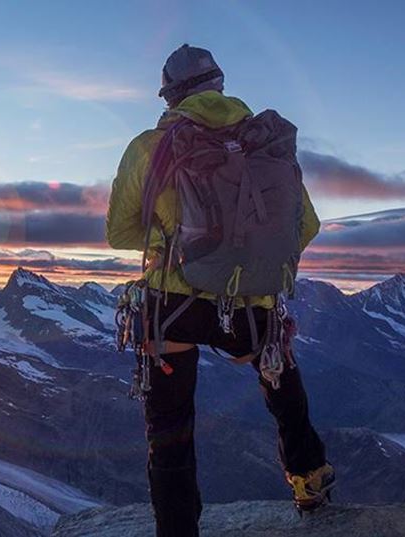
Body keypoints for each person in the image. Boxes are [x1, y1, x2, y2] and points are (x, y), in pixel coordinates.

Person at [106, 44, 335, 537]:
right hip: (251, 302)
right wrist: (249, 259)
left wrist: (173, 237)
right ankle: (310, 481)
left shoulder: (150, 147)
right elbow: (306, 225)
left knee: (169, 426)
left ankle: (177, 529)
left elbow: (120, 233)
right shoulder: (264, 145)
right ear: (220, 85)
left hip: (174, 304)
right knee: (281, 382)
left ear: (170, 95)